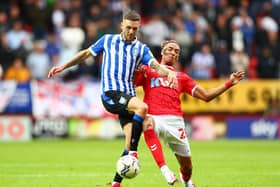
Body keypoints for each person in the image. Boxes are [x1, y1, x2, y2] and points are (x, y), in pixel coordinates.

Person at [47, 10, 178, 187]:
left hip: (127, 98)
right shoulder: (108, 40)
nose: (132, 31)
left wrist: (168, 73)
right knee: (143, 108)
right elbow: (86, 53)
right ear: (122, 25)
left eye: (135, 29)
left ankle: (116, 183)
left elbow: (155, 65)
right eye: (129, 27)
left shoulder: (141, 48)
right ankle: (133, 152)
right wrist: (63, 66)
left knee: (129, 139)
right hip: (110, 94)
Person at [134, 40, 245, 187]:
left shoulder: (181, 77)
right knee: (146, 122)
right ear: (162, 51)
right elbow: (130, 82)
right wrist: (137, 71)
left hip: (175, 122)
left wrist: (229, 83)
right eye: (170, 49)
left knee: (187, 168)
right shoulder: (148, 70)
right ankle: (165, 170)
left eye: (176, 51)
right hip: (155, 117)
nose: (173, 52)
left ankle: (186, 181)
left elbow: (206, 96)